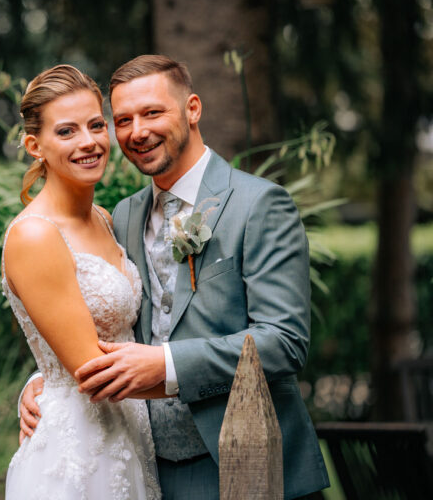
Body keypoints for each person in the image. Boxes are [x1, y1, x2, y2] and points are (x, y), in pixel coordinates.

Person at [19, 55, 330, 499]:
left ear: (192, 109)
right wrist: (43, 384)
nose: (137, 131)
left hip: (250, 462)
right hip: (154, 471)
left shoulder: (259, 204)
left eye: (152, 112)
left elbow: (285, 342)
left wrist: (167, 365)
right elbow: (105, 319)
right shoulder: (122, 216)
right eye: (123, 120)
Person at [1, 64, 163, 499]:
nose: (89, 142)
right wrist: (202, 377)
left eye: (96, 125)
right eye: (67, 131)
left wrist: (40, 378)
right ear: (35, 146)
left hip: (129, 435)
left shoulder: (104, 218)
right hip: (77, 453)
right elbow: (92, 372)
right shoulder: (35, 236)